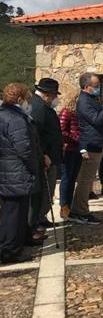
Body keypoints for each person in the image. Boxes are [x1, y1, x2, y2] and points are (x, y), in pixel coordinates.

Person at [68, 73, 103, 225]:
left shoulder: (91, 99)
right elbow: (96, 119)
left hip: (97, 143)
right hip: (91, 144)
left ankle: (78, 209)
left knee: (87, 179)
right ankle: (80, 211)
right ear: (86, 87)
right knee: (85, 180)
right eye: (96, 86)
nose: (98, 89)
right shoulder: (84, 102)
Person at [0, 83, 41, 263]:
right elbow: (24, 148)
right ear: (19, 100)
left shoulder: (4, 115)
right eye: (27, 99)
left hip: (7, 170)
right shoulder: (15, 119)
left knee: (10, 212)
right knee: (14, 213)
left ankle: (13, 244)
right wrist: (35, 166)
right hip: (16, 171)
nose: (28, 103)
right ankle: (10, 251)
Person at [30, 78, 62, 230]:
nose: (56, 98)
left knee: (46, 190)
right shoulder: (38, 107)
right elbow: (36, 133)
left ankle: (41, 218)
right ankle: (36, 221)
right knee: (44, 190)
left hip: (51, 155)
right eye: (55, 95)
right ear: (48, 94)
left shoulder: (42, 105)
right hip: (46, 157)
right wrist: (43, 154)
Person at [59, 90, 81, 219]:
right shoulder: (67, 112)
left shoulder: (80, 115)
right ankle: (64, 206)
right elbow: (62, 131)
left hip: (77, 149)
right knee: (66, 178)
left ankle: (69, 204)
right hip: (68, 149)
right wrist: (76, 138)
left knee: (73, 178)